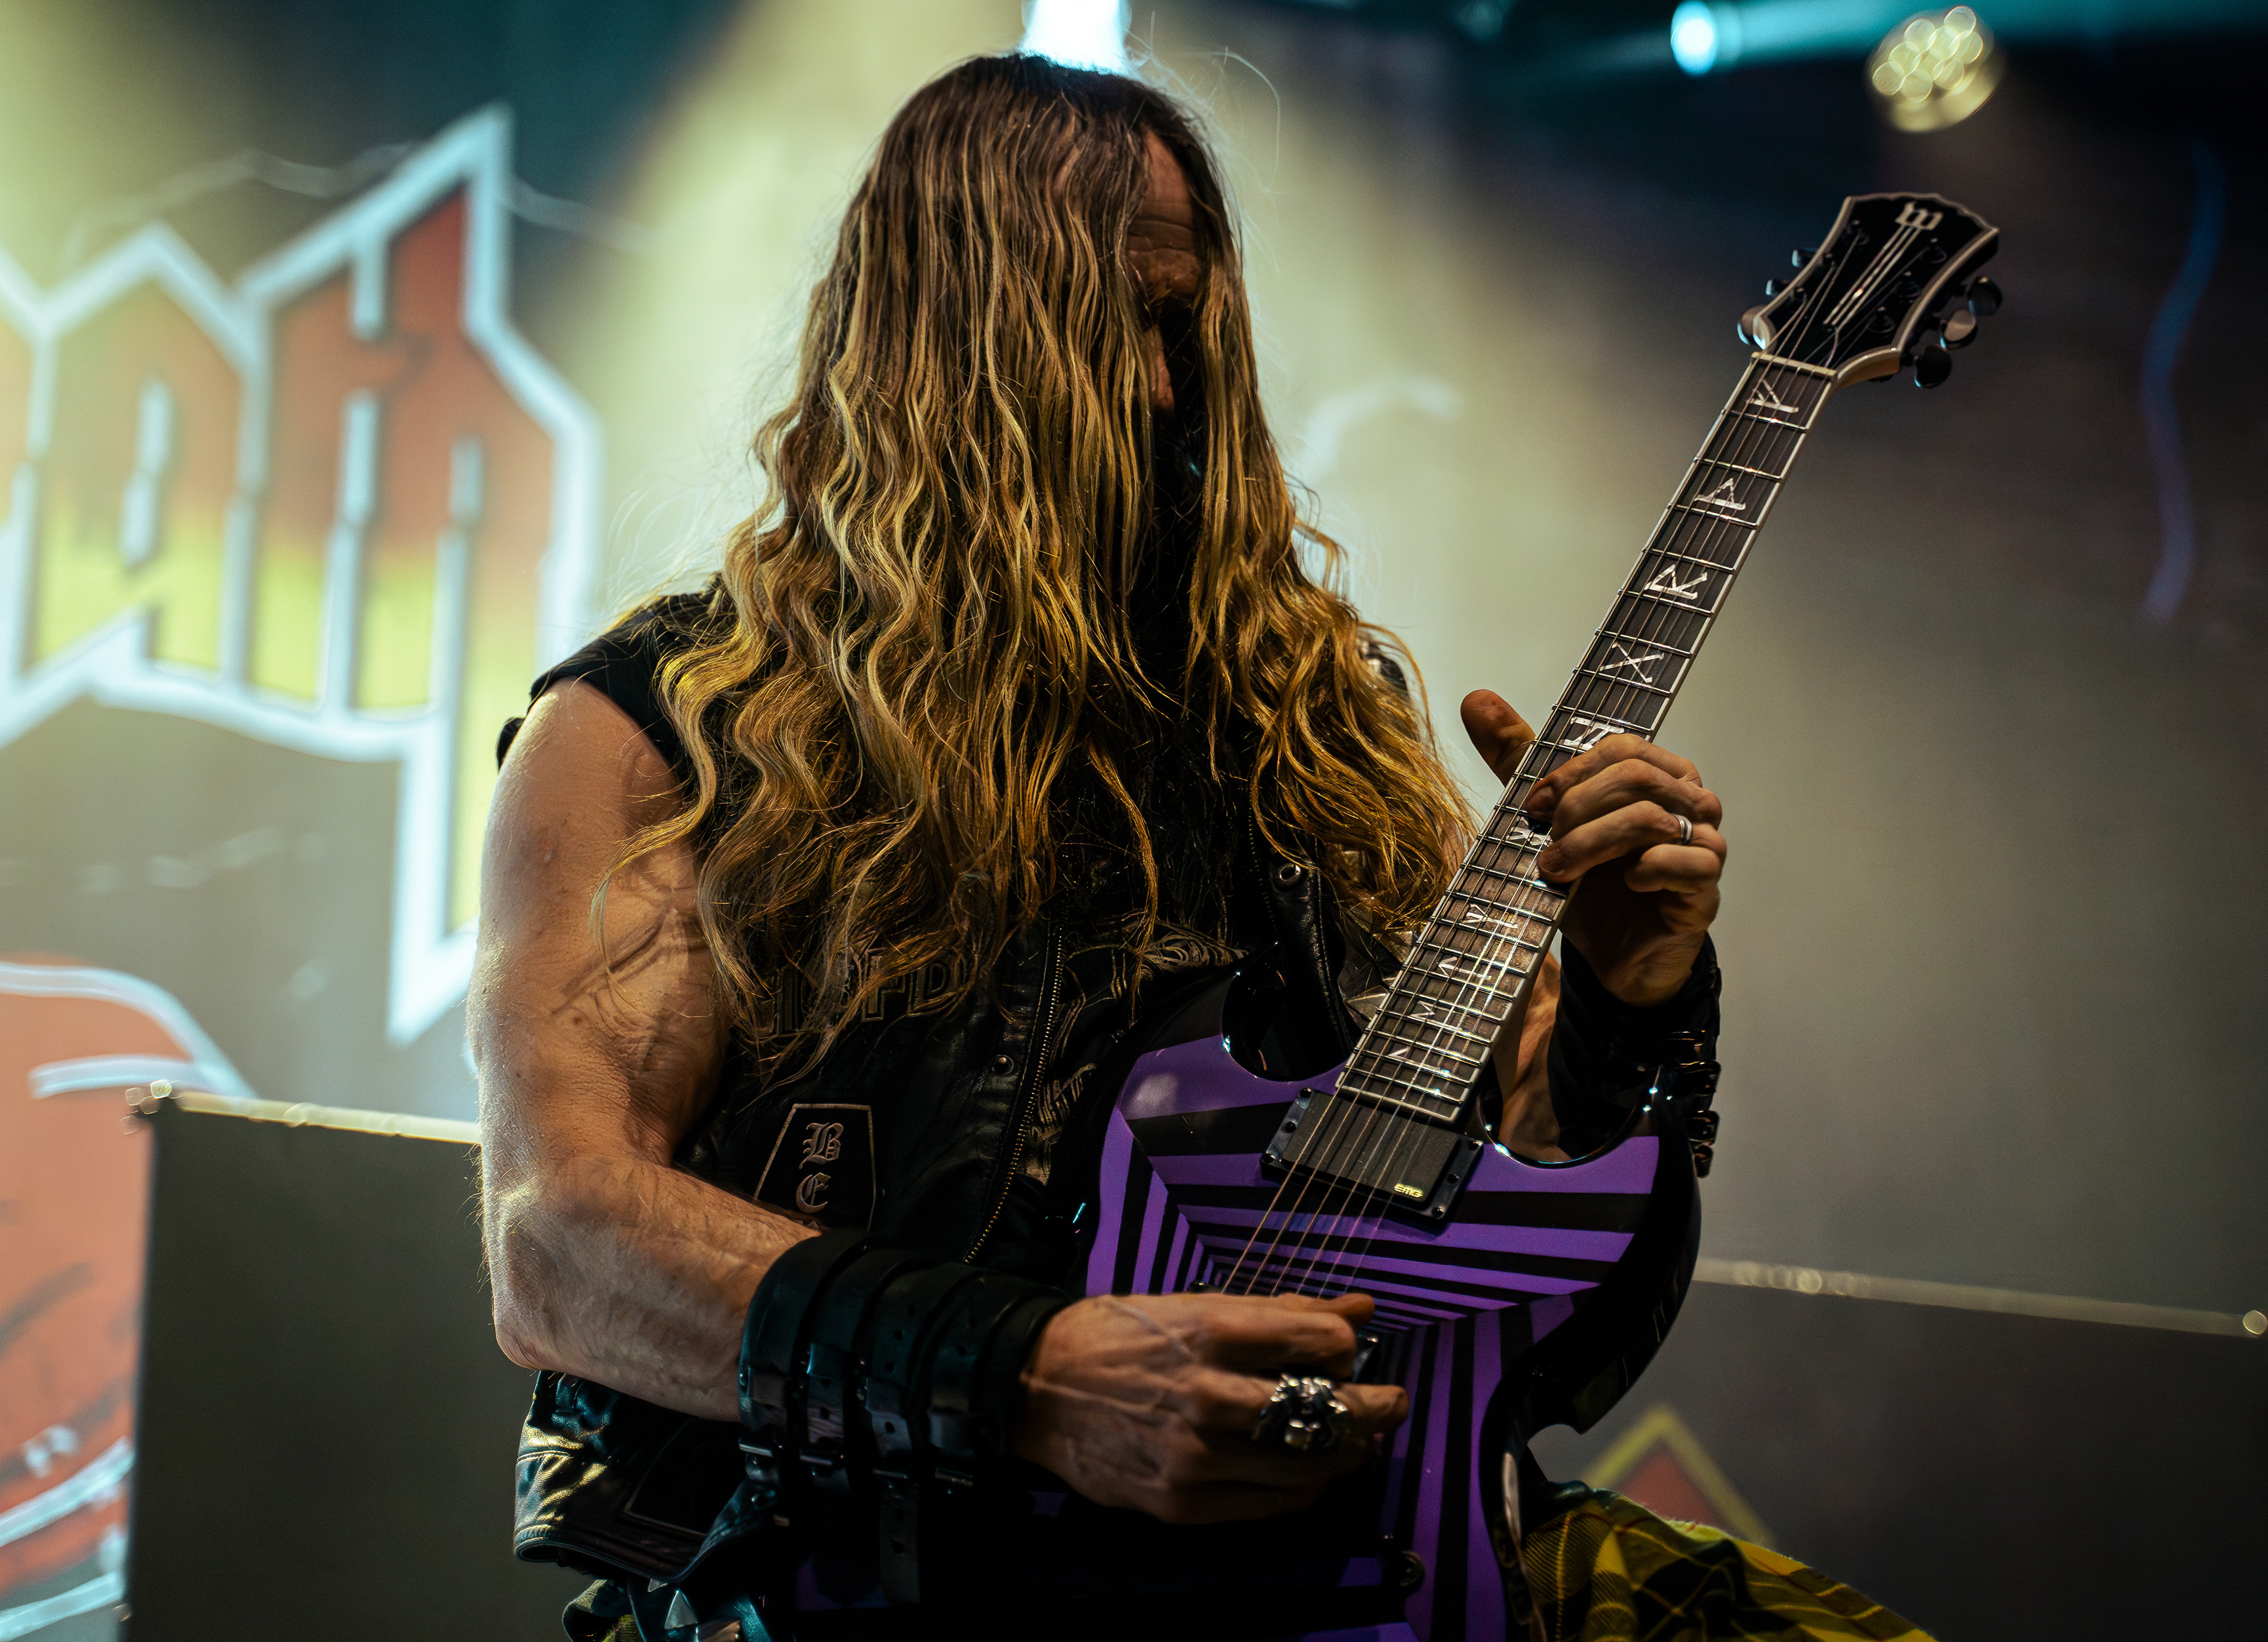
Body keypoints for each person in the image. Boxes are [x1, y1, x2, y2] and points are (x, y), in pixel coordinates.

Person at [472, 54, 1922, 1642]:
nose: (1171, 392)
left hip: (1364, 1560)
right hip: (861, 1577)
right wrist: (1029, 1377)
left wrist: (1631, 1004)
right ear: (943, 340)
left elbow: (1539, 1306)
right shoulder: (678, 723)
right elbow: (564, 1246)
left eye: (1191, 330)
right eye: (1115, 326)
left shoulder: (1321, 726)